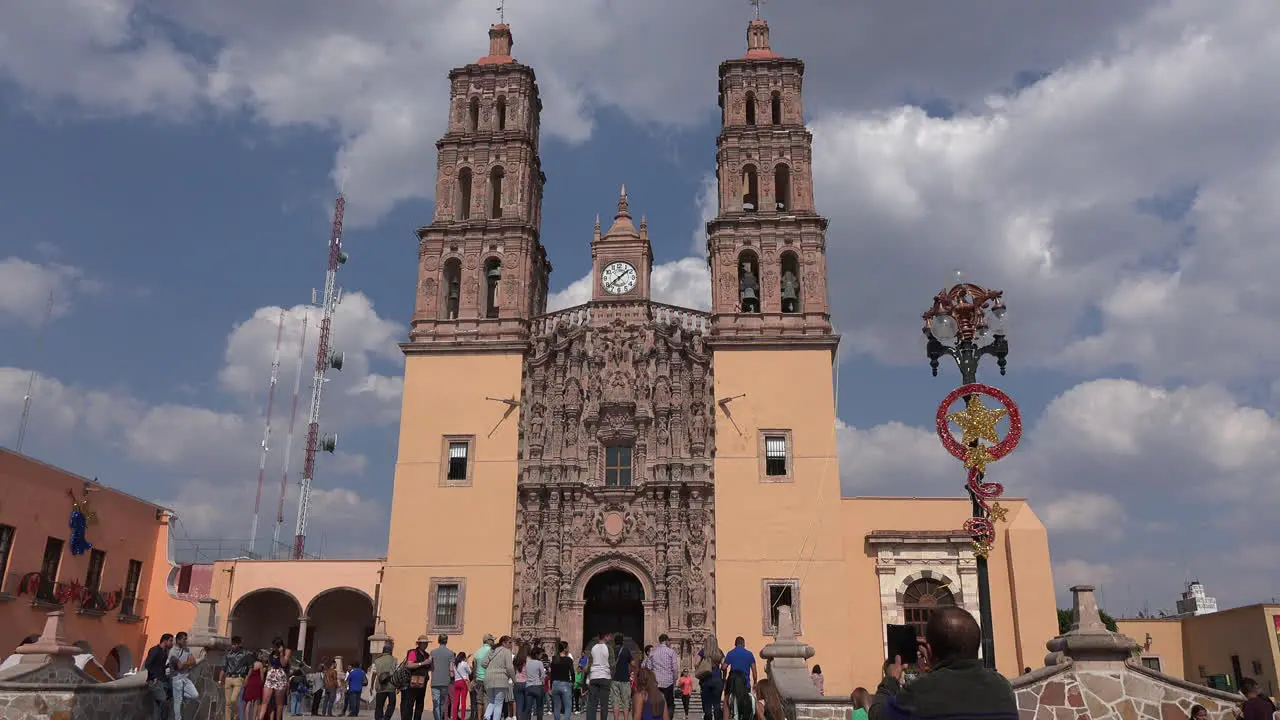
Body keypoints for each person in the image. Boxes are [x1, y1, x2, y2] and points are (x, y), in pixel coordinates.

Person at [870, 607, 1017, 720]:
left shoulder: (920, 692)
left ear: (929, 650)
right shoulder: (1003, 688)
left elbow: (878, 714)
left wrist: (891, 679)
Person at [483, 636, 517, 720]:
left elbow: (483, 664)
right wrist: (514, 680)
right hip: (500, 679)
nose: (511, 645)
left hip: (488, 678)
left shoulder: (492, 650)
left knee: (492, 701)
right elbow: (509, 667)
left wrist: (492, 668)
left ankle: (487, 716)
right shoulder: (507, 652)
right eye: (509, 643)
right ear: (503, 643)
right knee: (499, 703)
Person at [169, 631, 199, 720]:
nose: (186, 641)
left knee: (195, 695)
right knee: (178, 701)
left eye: (186, 639)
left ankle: (180, 695)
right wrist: (188, 662)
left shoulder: (187, 649)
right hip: (176, 678)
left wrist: (186, 663)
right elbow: (179, 666)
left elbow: (193, 662)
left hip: (185, 677)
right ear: (178, 640)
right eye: (184, 640)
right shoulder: (173, 652)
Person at [143, 633, 174, 720]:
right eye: (171, 641)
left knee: (160, 705)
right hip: (155, 682)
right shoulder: (155, 650)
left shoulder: (164, 652)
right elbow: (148, 664)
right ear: (165, 641)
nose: (172, 643)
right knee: (164, 702)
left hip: (162, 681)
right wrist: (153, 677)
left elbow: (159, 666)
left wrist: (169, 666)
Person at [222, 636, 252, 720]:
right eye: (232, 644)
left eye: (235, 644)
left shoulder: (245, 654)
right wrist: (221, 679)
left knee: (233, 700)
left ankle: (236, 716)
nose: (233, 646)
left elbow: (251, 667)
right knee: (227, 703)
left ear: (239, 644)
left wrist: (247, 678)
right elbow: (224, 667)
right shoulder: (228, 653)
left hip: (238, 679)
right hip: (228, 678)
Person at [262, 637, 292, 720]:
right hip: (271, 677)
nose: (274, 648)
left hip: (281, 678)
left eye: (275, 646)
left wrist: (281, 653)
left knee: (279, 704)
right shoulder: (272, 653)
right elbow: (270, 665)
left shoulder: (287, 651)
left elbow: (283, 664)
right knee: (268, 702)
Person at [404, 636, 433, 720]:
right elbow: (409, 665)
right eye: (423, 643)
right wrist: (422, 663)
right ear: (419, 644)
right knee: (409, 704)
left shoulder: (427, 655)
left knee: (420, 705)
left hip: (423, 682)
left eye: (426, 643)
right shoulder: (413, 652)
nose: (425, 645)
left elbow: (430, 668)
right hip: (413, 682)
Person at [648, 635, 679, 713]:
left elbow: (649, 667)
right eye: (669, 641)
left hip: (656, 682)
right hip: (668, 682)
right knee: (669, 705)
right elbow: (675, 668)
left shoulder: (653, 652)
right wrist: (674, 680)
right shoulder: (671, 652)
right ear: (666, 641)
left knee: (656, 704)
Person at [696, 636, 724, 720]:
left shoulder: (703, 651)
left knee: (707, 703)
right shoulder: (719, 652)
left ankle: (708, 717)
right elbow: (724, 666)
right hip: (717, 680)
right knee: (717, 703)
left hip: (706, 680)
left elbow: (696, 663)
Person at [586, 633, 613, 720]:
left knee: (591, 703)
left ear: (598, 638)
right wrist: (611, 676)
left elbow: (589, 663)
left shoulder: (593, 648)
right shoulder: (609, 648)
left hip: (594, 676)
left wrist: (588, 677)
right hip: (605, 677)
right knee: (604, 704)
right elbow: (612, 664)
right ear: (605, 637)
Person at [371, 643, 399, 720]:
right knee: (391, 704)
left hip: (380, 686)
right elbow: (397, 674)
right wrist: (398, 686)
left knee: (379, 705)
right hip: (391, 686)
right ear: (391, 651)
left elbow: (374, 674)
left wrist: (371, 686)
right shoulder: (394, 660)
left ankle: (379, 718)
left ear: (383, 651)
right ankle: (386, 718)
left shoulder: (377, 661)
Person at [432, 635, 456, 720]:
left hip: (435, 681)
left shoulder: (433, 652)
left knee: (436, 703)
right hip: (446, 681)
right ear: (446, 641)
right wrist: (452, 680)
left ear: (439, 641)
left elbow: (431, 665)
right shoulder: (450, 653)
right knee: (442, 703)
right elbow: (451, 668)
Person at [549, 641, 575, 720]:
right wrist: (573, 682)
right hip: (565, 684)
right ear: (564, 649)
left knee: (556, 707)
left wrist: (551, 686)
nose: (568, 648)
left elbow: (552, 674)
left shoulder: (554, 659)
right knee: (567, 707)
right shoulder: (568, 660)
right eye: (567, 647)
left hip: (555, 684)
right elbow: (572, 673)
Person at [611, 634, 635, 720]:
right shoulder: (626, 650)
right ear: (622, 641)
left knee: (615, 703)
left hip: (614, 679)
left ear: (615, 641)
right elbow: (633, 663)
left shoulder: (612, 651)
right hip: (625, 679)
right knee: (626, 702)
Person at [473, 635, 496, 720]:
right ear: (488, 641)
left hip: (479, 679)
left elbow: (474, 667)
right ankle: (487, 718)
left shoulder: (477, 652)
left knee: (479, 701)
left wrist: (474, 679)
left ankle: (479, 718)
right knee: (488, 700)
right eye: (492, 640)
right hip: (489, 679)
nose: (493, 642)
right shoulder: (491, 651)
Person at [524, 646, 547, 720]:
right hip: (538, 686)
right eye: (540, 654)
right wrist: (540, 679)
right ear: (537, 655)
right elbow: (543, 675)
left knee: (528, 708)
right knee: (539, 708)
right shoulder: (539, 663)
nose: (541, 656)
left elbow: (526, 674)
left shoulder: (527, 663)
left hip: (528, 686)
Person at [453, 653, 473, 720]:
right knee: (463, 701)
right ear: (463, 657)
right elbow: (470, 672)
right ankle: (462, 718)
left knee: (456, 701)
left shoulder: (455, 664)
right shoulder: (464, 664)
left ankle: (454, 717)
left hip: (456, 682)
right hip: (463, 682)